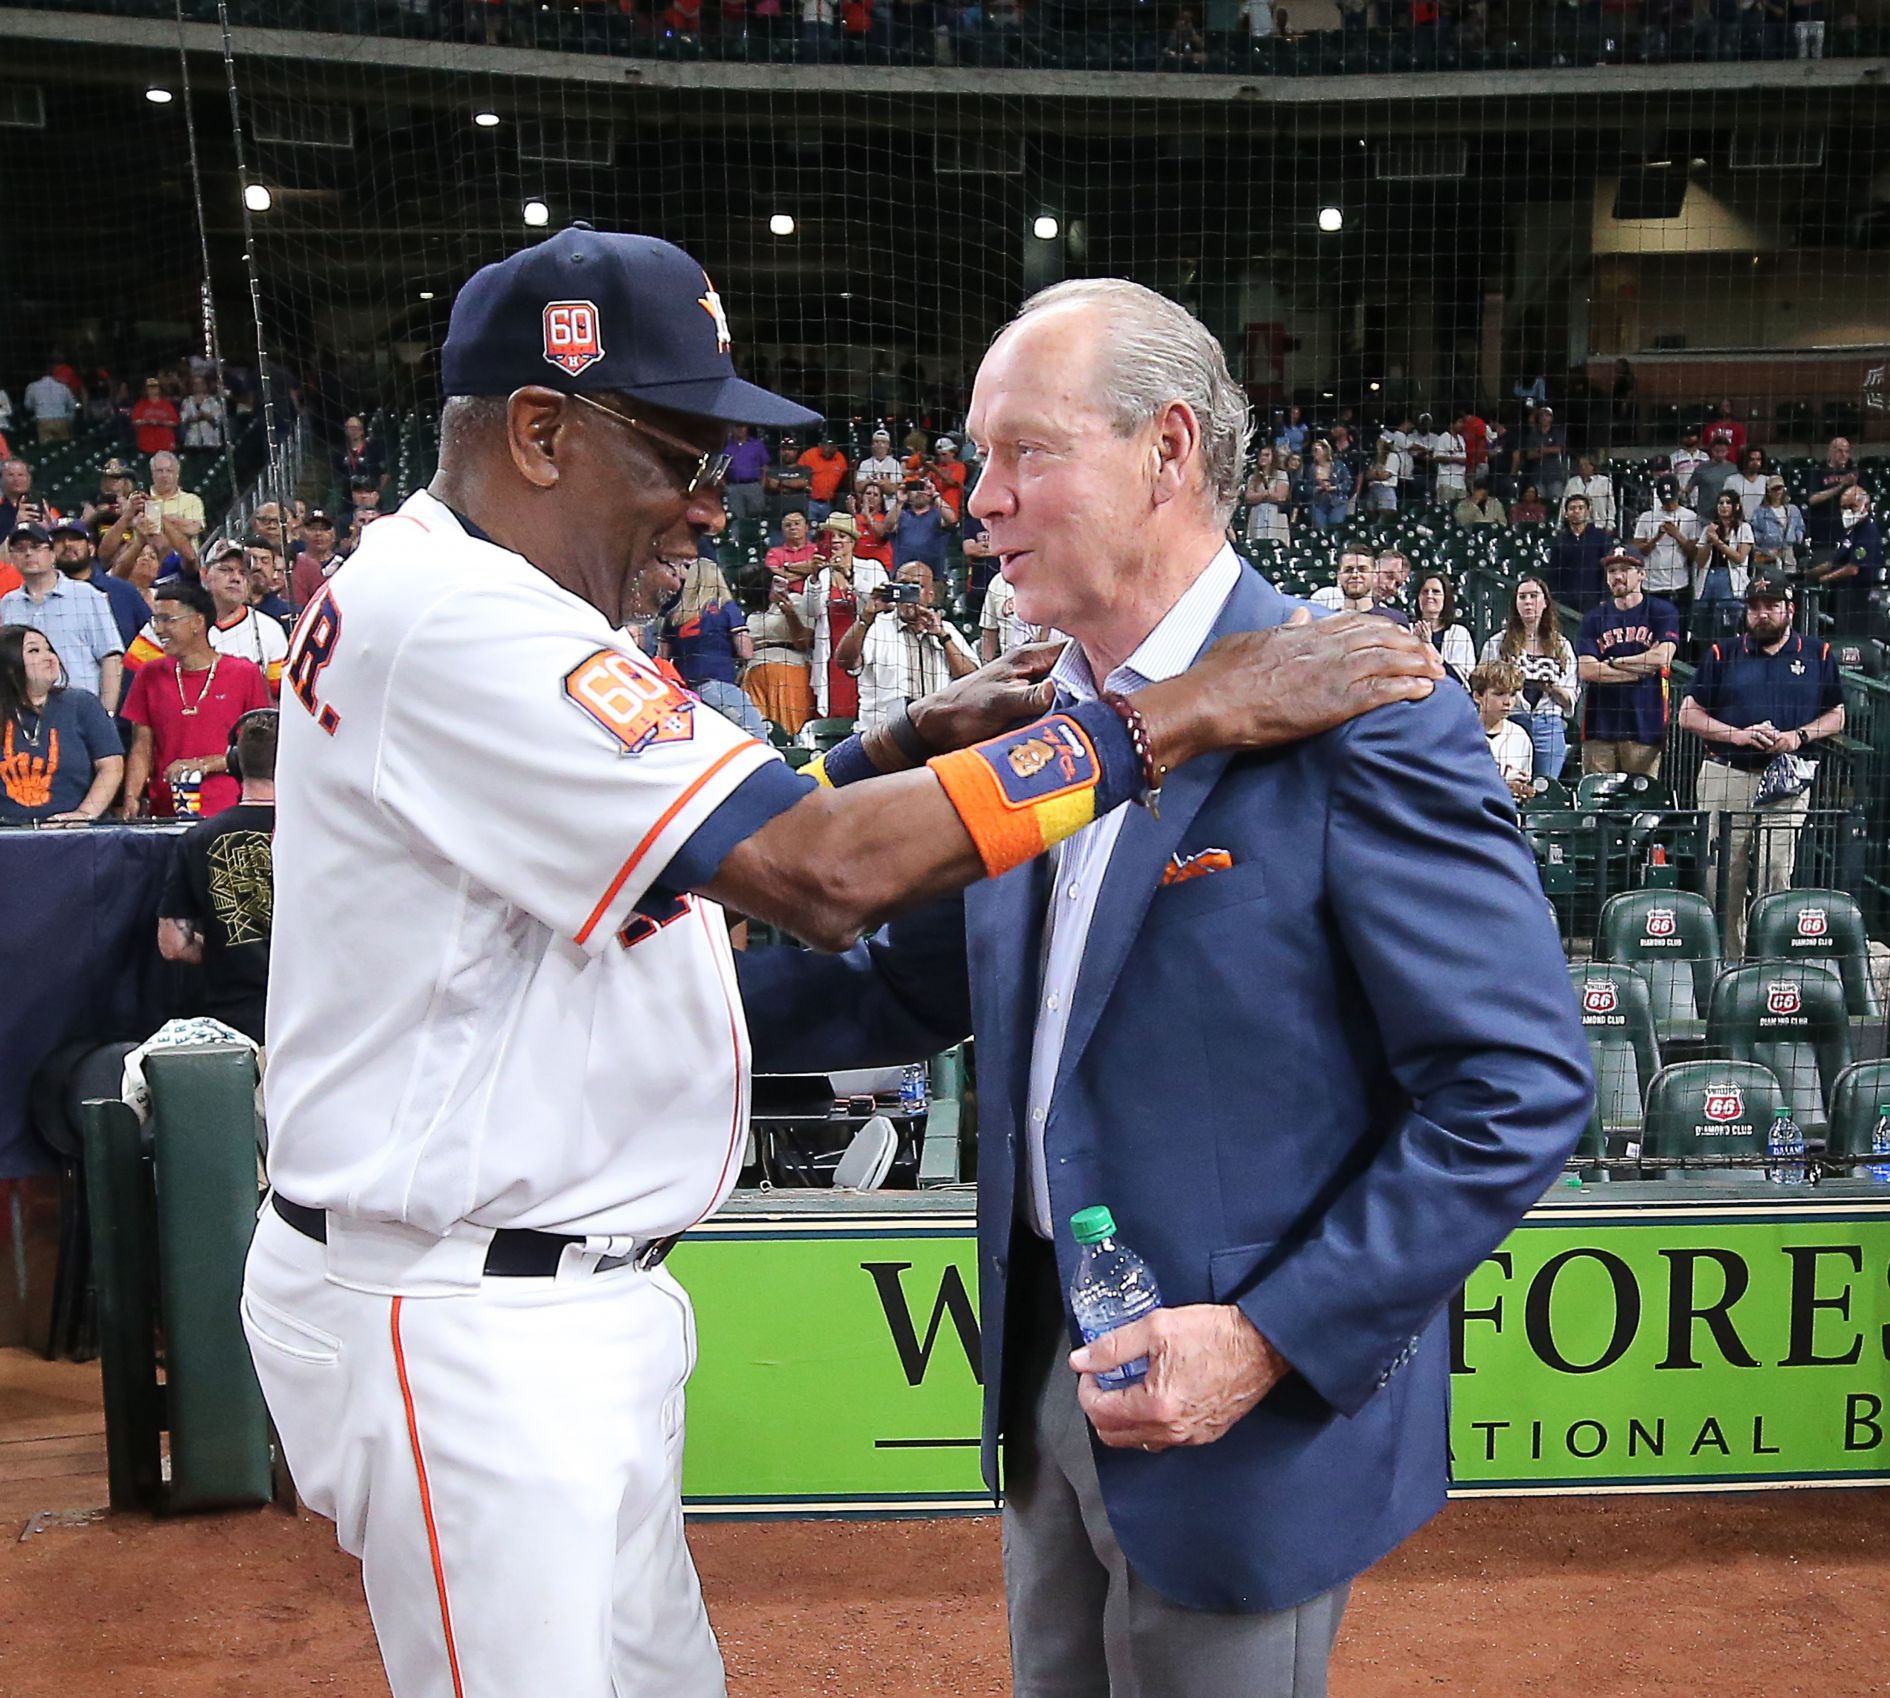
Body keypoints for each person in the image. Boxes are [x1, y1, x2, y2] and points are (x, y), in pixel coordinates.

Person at [241, 232, 1438, 1698]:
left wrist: (882, 747)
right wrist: (1178, 713)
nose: (707, 505)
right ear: (539, 431)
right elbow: (816, 872)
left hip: (531, 1290)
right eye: (679, 452)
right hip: (467, 1313)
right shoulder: (472, 623)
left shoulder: (452, 589)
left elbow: (720, 836)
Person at [737, 276, 1588, 1698]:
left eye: (1024, 452)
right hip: (1051, 1381)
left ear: (1170, 449)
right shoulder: (1036, 717)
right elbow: (900, 991)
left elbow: (1518, 1085)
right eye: (975, 458)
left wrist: (1266, 1340)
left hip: (1235, 1415)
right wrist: (633, 1010)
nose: (977, 498)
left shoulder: (1361, 702)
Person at [1679, 577, 1843, 958]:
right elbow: (1688, 714)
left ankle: (1770, 961)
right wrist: (1737, 735)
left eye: (1771, 606)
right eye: (1754, 607)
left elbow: (1837, 715)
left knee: (1776, 872)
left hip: (1786, 776)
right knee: (1722, 878)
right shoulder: (1723, 652)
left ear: (1790, 610)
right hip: (1727, 772)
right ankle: (1727, 965)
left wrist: (1797, 737)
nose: (1761, 614)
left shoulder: (1817, 653)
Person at [156, 709, 279, 1042]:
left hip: (236, 1026)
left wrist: (227, 949)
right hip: (313, 1019)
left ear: (236, 763)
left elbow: (173, 945)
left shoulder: (195, 841)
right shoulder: (324, 833)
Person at [119, 580, 269, 818]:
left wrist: (203, 765)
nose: (159, 630)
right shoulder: (149, 674)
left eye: (168, 619)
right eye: (156, 620)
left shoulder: (244, 673)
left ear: (198, 622)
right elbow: (141, 747)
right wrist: (132, 799)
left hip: (226, 810)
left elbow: (259, 748)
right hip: (165, 811)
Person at [834, 559, 980, 733]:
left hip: (935, 734)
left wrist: (943, 637)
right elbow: (844, 661)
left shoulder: (947, 629)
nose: (909, 595)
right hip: (882, 738)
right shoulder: (875, 627)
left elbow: (973, 680)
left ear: (930, 595)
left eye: (916, 587)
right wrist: (865, 617)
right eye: (903, 586)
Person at [0, 624, 123, 824]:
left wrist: (85, 814)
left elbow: (111, 766)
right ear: (9, 666)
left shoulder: (82, 704)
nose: (49, 657)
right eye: (34, 650)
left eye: (49, 649)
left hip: (72, 834)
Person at [1574, 550, 1680, 778]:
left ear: (1642, 574)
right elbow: (1587, 670)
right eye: (1612, 571)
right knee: (1597, 805)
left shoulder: (1662, 612)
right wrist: (1639, 672)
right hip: (1599, 727)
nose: (1618, 576)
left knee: (1641, 804)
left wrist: (1613, 662)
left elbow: (1661, 658)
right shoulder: (1593, 618)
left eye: (1625, 570)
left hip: (1645, 725)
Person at [1, 523, 125, 704]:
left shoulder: (87, 595)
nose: (28, 553)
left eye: (35, 547)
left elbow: (111, 657)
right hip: (24, 708)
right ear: (11, 557)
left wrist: (107, 713)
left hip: (79, 708)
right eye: (19, 549)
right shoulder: (7, 603)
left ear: (52, 554)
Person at [1480, 575, 1577, 782]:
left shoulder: (1562, 646)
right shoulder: (1497, 643)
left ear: (1545, 603)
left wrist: (1551, 686)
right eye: (1522, 597)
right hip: (1510, 721)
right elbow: (1482, 684)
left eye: (1534, 596)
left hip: (1548, 725)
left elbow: (1570, 701)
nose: (1528, 602)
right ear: (1515, 604)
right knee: (1509, 782)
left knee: (1545, 788)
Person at [662, 556, 765, 736]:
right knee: (757, 736)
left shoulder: (674, 615)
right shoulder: (725, 608)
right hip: (718, 687)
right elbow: (746, 652)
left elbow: (661, 658)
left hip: (685, 694)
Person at [803, 512, 889, 717]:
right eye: (831, 536)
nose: (835, 541)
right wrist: (813, 578)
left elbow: (883, 603)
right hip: (831, 654)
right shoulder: (821, 575)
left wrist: (850, 577)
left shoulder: (872, 567)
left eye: (841, 536)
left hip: (864, 649)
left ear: (852, 541)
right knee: (833, 709)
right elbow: (810, 611)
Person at [201, 540, 290, 698]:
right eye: (226, 570)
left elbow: (281, 694)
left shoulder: (270, 629)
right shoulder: (179, 621)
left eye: (243, 573)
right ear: (204, 574)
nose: (236, 578)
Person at [737, 565, 815, 736]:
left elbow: (803, 643)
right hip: (754, 675)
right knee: (759, 732)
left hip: (789, 670)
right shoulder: (751, 616)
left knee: (791, 731)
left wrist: (789, 613)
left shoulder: (796, 600)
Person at [51, 516, 148, 650]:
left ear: (91, 548)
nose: (67, 544)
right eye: (58, 541)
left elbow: (150, 636)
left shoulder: (123, 591)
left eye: (75, 538)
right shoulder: (47, 597)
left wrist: (132, 668)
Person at [1803, 483, 1882, 632]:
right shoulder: (1851, 531)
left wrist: (1822, 579)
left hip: (1860, 598)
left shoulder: (1868, 531)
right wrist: (1808, 574)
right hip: (1845, 596)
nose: (1847, 512)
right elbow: (1835, 561)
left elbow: (1852, 569)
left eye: (1851, 507)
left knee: (1855, 641)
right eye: (1843, 507)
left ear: (1865, 506)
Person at [1632, 475, 1701, 623]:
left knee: (1678, 633)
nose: (1669, 504)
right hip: (1651, 586)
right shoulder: (1646, 517)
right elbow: (1639, 551)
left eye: (1672, 499)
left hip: (1678, 585)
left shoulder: (1690, 517)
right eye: (1665, 500)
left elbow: (1695, 553)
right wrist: (1656, 537)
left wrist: (1677, 535)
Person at [1469, 659, 1536, 800]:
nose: (1508, 702)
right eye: (1499, 694)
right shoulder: (1460, 734)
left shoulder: (1520, 737)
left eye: (1512, 694)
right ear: (1477, 696)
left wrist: (1522, 790)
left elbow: (1523, 784)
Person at [1692, 488, 1754, 629]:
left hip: (1731, 583)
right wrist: (1709, 540)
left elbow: (1739, 557)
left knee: (1727, 627)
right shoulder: (1709, 529)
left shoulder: (1744, 528)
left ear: (1736, 506)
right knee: (1703, 626)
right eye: (1720, 503)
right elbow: (1700, 561)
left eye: (1728, 503)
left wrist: (1718, 542)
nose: (1723, 506)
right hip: (1708, 580)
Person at [1545, 491, 1615, 614]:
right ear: (1566, 513)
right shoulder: (1559, 541)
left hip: (1594, 601)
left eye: (1581, 508)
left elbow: (1608, 569)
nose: (1576, 511)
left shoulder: (1600, 537)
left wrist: (1605, 597)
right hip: (1565, 603)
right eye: (1572, 508)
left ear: (1588, 512)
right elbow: (1554, 573)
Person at [1310, 546, 1410, 626]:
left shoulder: (1391, 619)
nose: (1391, 587)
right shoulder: (1325, 596)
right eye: (1389, 576)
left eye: (1398, 584)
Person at [1411, 572, 1475, 682]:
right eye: (1425, 592)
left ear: (1446, 598)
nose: (1429, 596)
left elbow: (1460, 679)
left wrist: (1428, 645)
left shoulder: (1459, 633)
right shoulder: (1406, 629)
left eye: (1436, 592)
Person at [1803, 434, 1856, 563]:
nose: (1844, 454)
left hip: (1849, 537)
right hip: (1824, 537)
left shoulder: (1854, 473)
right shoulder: (1818, 472)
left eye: (1847, 451)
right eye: (1839, 451)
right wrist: (1841, 486)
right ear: (1830, 452)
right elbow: (1812, 499)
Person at [1750, 475, 1807, 575]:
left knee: (1788, 583)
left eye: (1779, 488)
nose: (1777, 492)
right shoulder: (1760, 512)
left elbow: (1800, 528)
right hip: (1769, 556)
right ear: (1768, 491)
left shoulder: (1793, 510)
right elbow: (1755, 535)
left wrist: (1796, 541)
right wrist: (1766, 550)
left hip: (1789, 554)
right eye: (1774, 489)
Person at [288, 510, 344, 611]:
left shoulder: (345, 565)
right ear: (302, 533)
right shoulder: (294, 564)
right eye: (312, 529)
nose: (318, 534)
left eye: (324, 529)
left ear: (333, 534)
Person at [1238, 444, 1290, 545]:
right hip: (1257, 514)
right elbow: (1249, 497)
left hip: (1275, 515)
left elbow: (1281, 496)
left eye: (1266, 455)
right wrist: (1266, 494)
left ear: (1273, 457)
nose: (1263, 458)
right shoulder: (1253, 477)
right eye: (1261, 455)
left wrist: (1259, 496)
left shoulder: (1281, 474)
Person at [721, 423, 771, 524]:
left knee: (757, 518)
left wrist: (761, 487)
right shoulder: (726, 446)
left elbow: (765, 467)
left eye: (742, 426)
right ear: (732, 428)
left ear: (747, 428)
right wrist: (725, 487)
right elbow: (719, 468)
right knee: (735, 520)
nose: (740, 429)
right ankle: (736, 539)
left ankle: (758, 539)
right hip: (734, 487)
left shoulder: (757, 445)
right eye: (737, 426)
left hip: (754, 486)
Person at [796, 431, 850, 523]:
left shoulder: (840, 458)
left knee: (826, 531)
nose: (827, 449)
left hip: (829, 503)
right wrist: (806, 486)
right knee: (809, 529)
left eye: (831, 446)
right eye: (825, 445)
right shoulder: (809, 455)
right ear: (820, 445)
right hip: (810, 501)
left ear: (836, 447)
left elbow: (844, 480)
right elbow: (797, 474)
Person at [1558, 453, 1615, 533]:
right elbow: (1564, 505)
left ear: (1593, 466)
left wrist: (1610, 525)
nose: (1583, 467)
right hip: (1575, 526)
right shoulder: (1572, 482)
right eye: (1581, 465)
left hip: (1599, 525)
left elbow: (1610, 507)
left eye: (1586, 465)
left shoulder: (1604, 482)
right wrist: (1559, 526)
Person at [1301, 438, 1350, 530]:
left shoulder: (1338, 465)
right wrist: (1318, 488)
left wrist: (1333, 488)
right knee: (1320, 528)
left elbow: (1348, 484)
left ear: (1325, 450)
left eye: (1316, 450)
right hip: (1318, 503)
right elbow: (1306, 488)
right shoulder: (1311, 468)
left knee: (1335, 526)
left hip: (1337, 502)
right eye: (1312, 450)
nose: (1314, 453)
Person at [762, 434, 812, 520]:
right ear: (779, 451)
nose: (787, 452)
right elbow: (771, 485)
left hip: (799, 516)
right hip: (776, 517)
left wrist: (781, 483)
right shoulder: (773, 469)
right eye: (784, 449)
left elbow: (802, 483)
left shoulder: (805, 469)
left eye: (790, 449)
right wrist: (793, 487)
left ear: (796, 452)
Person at [855, 427, 904, 498]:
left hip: (890, 504)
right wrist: (884, 483)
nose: (879, 445)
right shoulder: (864, 463)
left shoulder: (894, 463)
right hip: (869, 503)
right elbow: (858, 488)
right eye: (876, 441)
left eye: (883, 442)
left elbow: (893, 489)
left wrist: (870, 481)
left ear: (888, 445)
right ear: (872, 445)